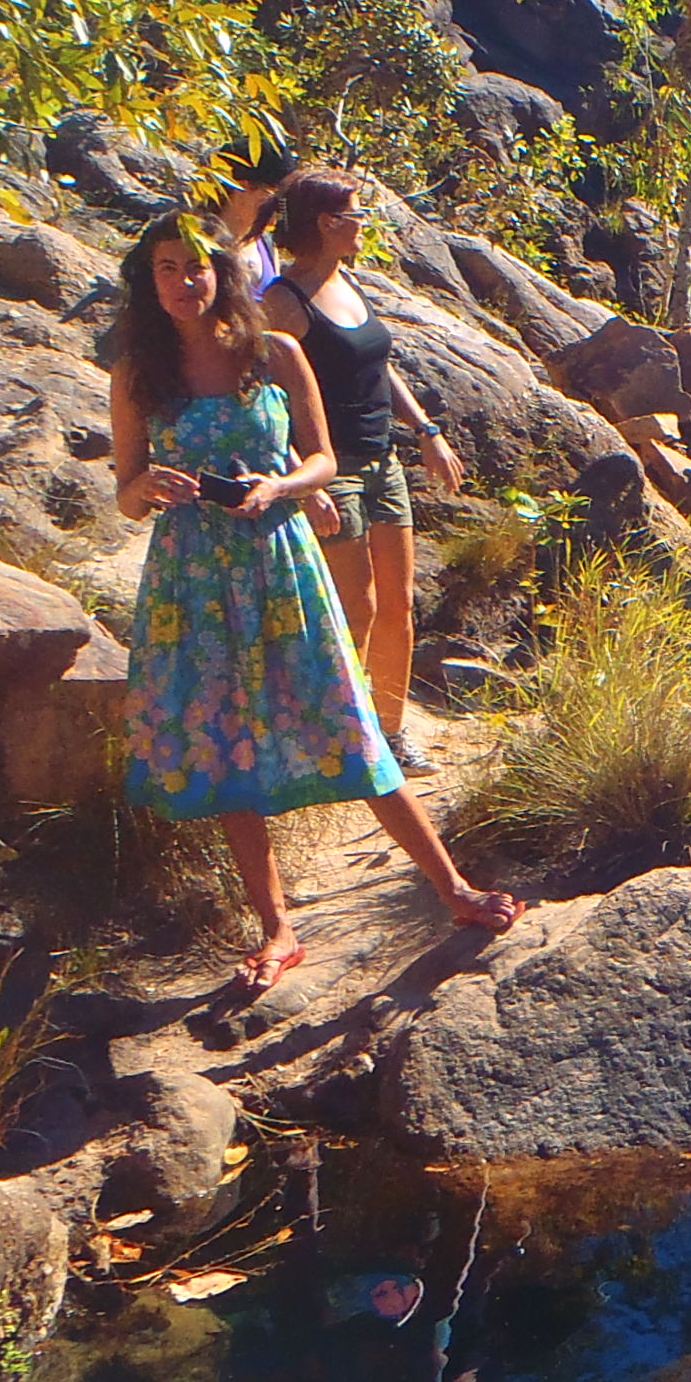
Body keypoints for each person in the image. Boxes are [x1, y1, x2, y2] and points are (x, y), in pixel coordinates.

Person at [109, 218, 520, 995]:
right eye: (166, 268)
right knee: (224, 744)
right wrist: (148, 488)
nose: (183, 282)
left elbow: (325, 459)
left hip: (279, 560)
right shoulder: (137, 373)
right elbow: (125, 494)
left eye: (196, 266)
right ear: (148, 280)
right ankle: (277, 928)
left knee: (345, 716)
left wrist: (280, 487)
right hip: (191, 578)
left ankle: (453, 889)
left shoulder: (274, 351)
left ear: (221, 272)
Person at [258, 165, 462, 771]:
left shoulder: (347, 282)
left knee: (398, 605)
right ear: (327, 223)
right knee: (356, 607)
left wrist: (426, 431)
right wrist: (302, 480)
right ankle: (338, 738)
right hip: (332, 469)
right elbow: (267, 396)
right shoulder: (283, 301)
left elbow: (378, 366)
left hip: (382, 461)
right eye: (356, 215)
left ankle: (390, 736)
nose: (363, 225)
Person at [208, 138, 295, 296]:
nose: (283, 204)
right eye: (277, 193)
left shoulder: (266, 244)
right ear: (243, 186)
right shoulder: (199, 241)